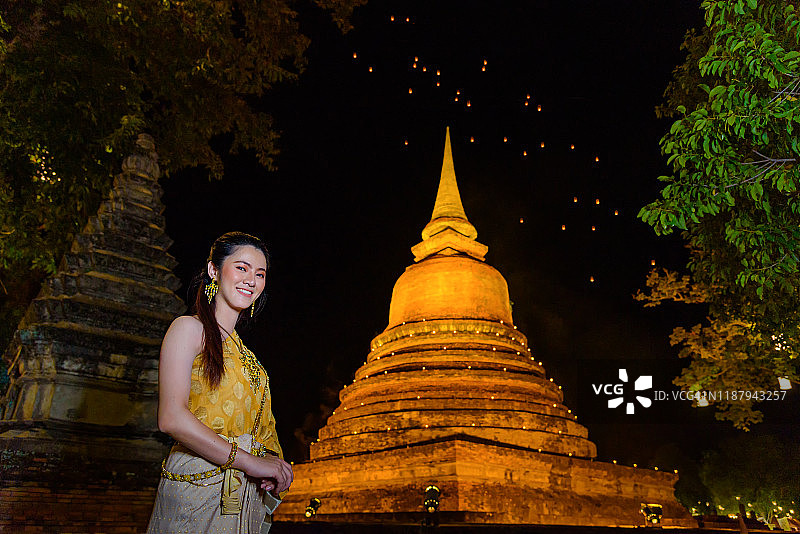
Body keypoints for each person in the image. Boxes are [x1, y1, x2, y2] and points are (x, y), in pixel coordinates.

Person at [147, 232, 293, 533]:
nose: (251, 280)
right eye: (242, 268)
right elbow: (171, 418)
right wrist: (251, 463)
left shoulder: (248, 357)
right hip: (197, 486)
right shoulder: (188, 329)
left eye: (260, 273)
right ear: (214, 271)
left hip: (243, 493)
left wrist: (272, 464)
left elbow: (260, 429)